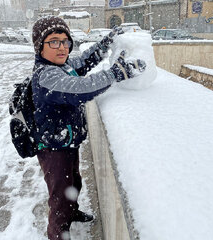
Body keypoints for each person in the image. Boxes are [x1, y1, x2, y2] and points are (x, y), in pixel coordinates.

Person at [31, 16, 146, 240]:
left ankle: (72, 213)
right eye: (54, 42)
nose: (62, 47)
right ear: (40, 46)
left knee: (74, 182)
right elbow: (81, 89)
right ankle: (58, 233)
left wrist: (105, 44)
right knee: (59, 201)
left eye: (65, 41)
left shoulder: (62, 66)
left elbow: (84, 62)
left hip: (66, 142)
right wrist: (115, 73)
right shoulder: (46, 76)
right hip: (53, 148)